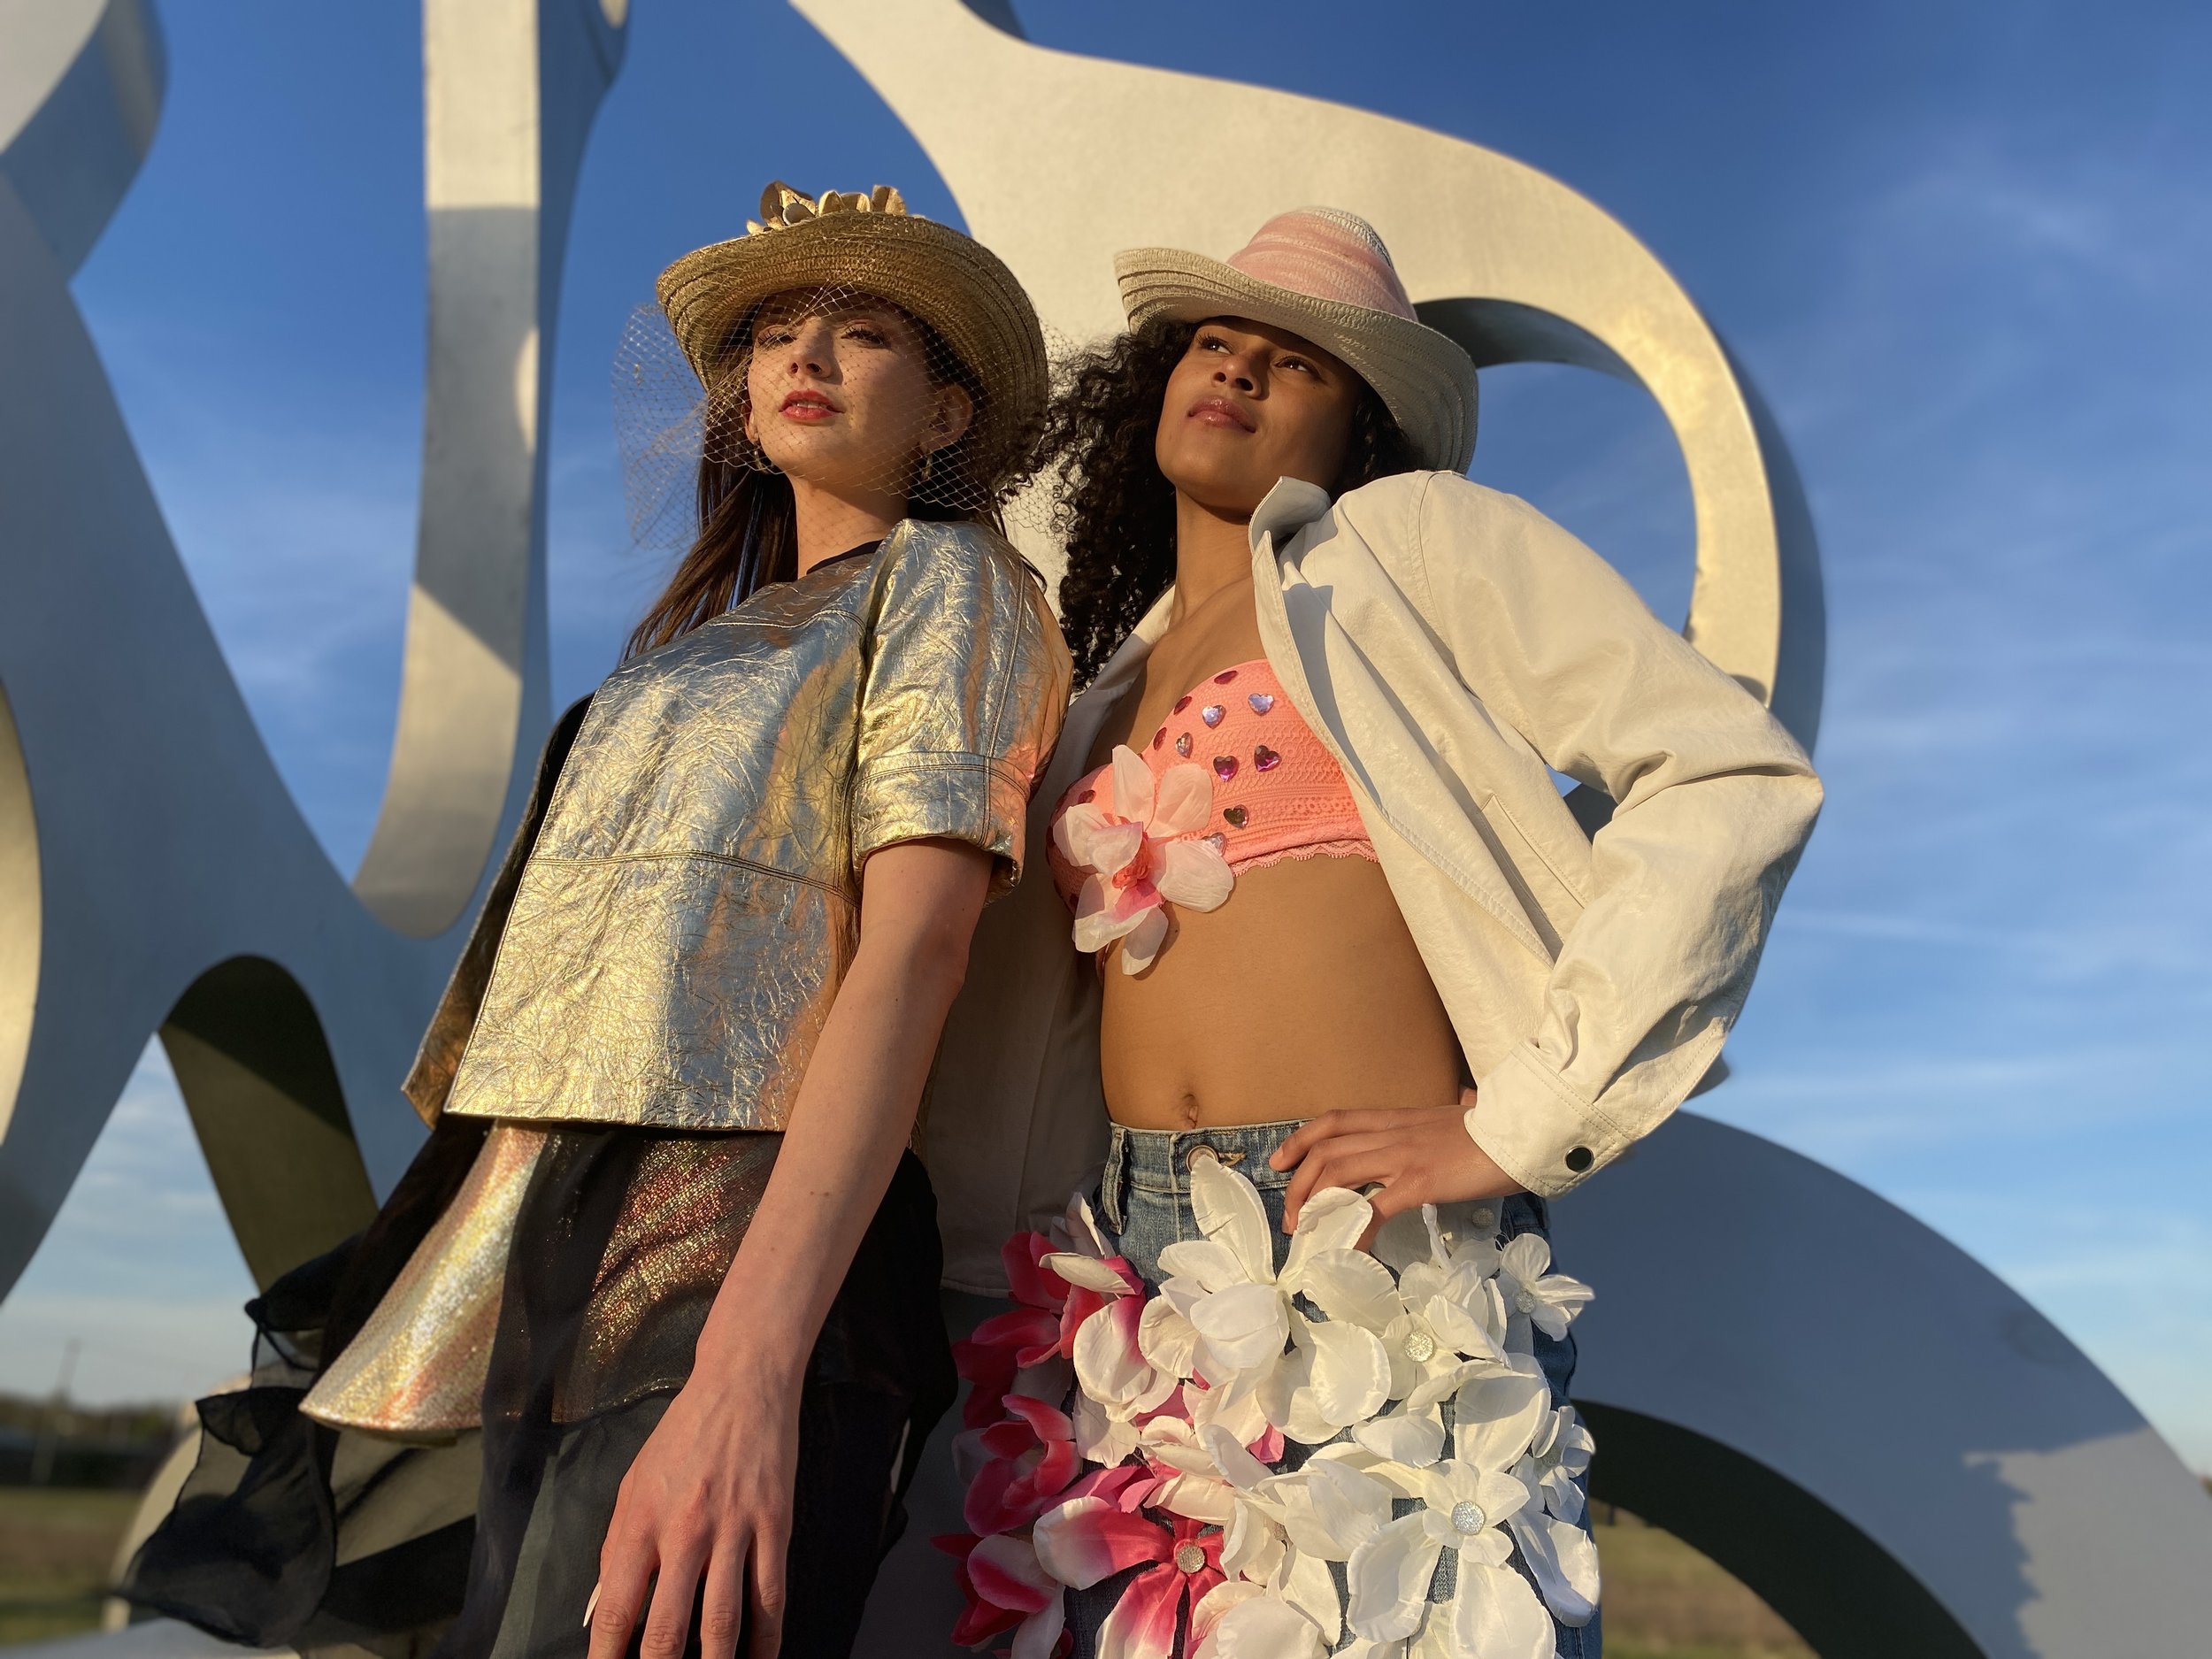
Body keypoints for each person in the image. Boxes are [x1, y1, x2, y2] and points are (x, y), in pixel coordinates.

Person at [124, 181, 1071, 1659]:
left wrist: (751, 1371)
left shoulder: (950, 581)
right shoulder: (690, 644)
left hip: (750, 1229)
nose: (805, 351)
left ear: (946, 415)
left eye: (863, 329)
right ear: (745, 404)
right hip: (555, 1210)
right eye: (776, 333)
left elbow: (916, 950)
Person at [925, 208, 1822, 1658]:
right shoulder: (1101, 689)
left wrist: (1522, 1122)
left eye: (1298, 364)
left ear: (1363, 427)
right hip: (1128, 1272)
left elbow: (1722, 770)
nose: (1237, 372)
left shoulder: (1405, 548)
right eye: (1213, 344)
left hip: (1361, 1237)